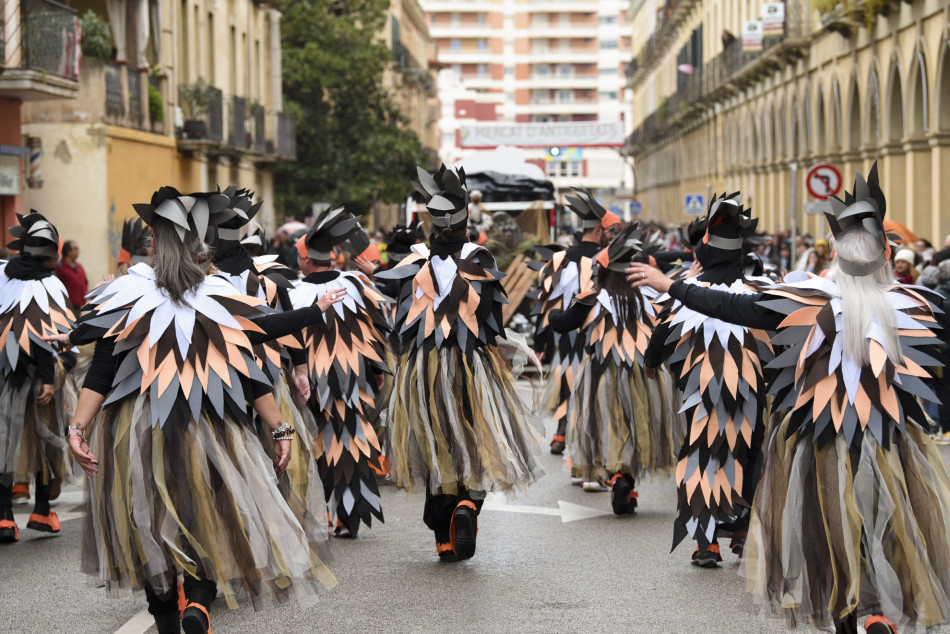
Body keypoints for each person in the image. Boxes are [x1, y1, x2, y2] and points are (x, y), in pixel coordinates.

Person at [628, 163, 950, 634]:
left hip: (820, 445)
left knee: (826, 532)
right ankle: (879, 611)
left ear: (836, 255)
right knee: (884, 527)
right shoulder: (920, 307)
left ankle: (853, 613)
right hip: (892, 445)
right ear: (886, 253)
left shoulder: (806, 300)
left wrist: (672, 286)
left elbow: (731, 307)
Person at [59, 187, 342, 634]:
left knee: (148, 524)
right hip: (209, 425)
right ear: (201, 244)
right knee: (210, 517)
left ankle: (169, 619)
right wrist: (281, 428)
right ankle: (200, 600)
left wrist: (78, 428)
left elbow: (101, 371)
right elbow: (249, 370)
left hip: (136, 429)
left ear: (152, 240)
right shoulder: (219, 295)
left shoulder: (124, 293)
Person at [377, 164, 543, 562]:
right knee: (476, 436)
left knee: (437, 442)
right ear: (467, 220)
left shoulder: (415, 264)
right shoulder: (481, 259)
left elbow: (402, 324)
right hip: (473, 367)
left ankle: (443, 535)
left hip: (424, 367)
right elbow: (494, 324)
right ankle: (469, 504)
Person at [642, 192, 773, 568]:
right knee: (747, 454)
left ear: (705, 250)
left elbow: (659, 339)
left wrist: (652, 363)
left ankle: (706, 542)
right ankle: (743, 527)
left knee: (702, 459)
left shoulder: (684, 293)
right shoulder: (758, 295)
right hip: (750, 397)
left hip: (698, 397)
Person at [548, 224, 681, 512]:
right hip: (644, 373)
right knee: (638, 426)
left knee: (609, 425)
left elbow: (562, 322)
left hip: (602, 371)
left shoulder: (594, 297)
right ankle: (627, 479)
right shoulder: (651, 297)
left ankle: (616, 474)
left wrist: (555, 311)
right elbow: (668, 330)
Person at [289, 207, 390, 539]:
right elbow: (376, 328)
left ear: (306, 260)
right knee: (351, 442)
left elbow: (288, 339)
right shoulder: (356, 283)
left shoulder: (294, 293)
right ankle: (348, 516)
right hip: (353, 376)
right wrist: (377, 369)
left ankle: (323, 511)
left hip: (312, 379)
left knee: (318, 443)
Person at [0, 212, 76, 543]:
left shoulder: (3, 275)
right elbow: (45, 336)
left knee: (4, 440)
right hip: (41, 376)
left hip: (4, 374)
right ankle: (42, 511)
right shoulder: (49, 283)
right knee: (47, 438)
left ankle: (4, 517)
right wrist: (50, 378)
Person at [532, 188, 621, 456]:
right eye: (609, 232)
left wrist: (540, 341)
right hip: (596, 335)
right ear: (598, 231)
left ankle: (560, 433)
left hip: (564, 333)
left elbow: (546, 303)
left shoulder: (560, 259)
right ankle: (589, 441)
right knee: (593, 386)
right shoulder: (606, 261)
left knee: (566, 378)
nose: (611, 237)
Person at [55, 239, 88, 308]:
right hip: (65, 308)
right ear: (68, 252)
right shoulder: (59, 268)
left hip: (78, 306)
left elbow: (85, 282)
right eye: (75, 249)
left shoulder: (79, 266)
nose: (78, 251)